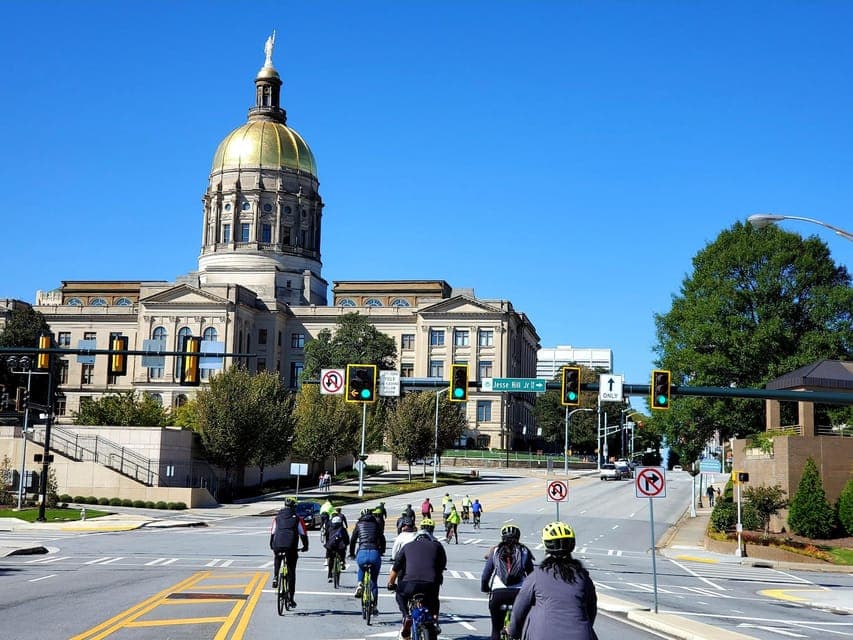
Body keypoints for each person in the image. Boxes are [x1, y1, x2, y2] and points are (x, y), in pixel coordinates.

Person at [508, 522, 598, 640]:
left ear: (546, 545)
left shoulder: (536, 575)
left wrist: (514, 632)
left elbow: (519, 610)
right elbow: (591, 609)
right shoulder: (583, 577)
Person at [387, 518, 447, 639]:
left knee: (400, 594)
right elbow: (442, 565)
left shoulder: (407, 546)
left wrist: (391, 583)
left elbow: (396, 567)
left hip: (410, 583)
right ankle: (434, 619)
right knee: (434, 599)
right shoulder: (437, 546)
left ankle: (406, 616)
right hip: (430, 584)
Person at [481, 524, 535, 640]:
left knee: (496, 629)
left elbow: (486, 574)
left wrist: (484, 588)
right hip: (519, 594)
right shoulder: (524, 551)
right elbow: (531, 575)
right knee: (521, 628)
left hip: (498, 593)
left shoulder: (495, 551)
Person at [269, 496, 309, 608]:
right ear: (294, 507)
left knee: (277, 557)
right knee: (292, 573)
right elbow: (303, 534)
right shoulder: (297, 518)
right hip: (291, 547)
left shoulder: (277, 518)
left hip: (278, 545)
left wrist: (272, 545)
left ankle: (276, 577)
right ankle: (291, 599)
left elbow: (273, 533)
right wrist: (305, 546)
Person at [349, 507, 386, 614]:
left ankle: (360, 584)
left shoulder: (358, 524)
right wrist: (382, 551)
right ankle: (374, 607)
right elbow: (382, 539)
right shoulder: (376, 524)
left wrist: (351, 553)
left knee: (361, 567)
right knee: (373, 581)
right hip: (374, 552)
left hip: (362, 551)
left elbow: (353, 540)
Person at [325, 513, 350, 581]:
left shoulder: (330, 528)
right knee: (343, 551)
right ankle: (342, 561)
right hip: (340, 546)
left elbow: (327, 537)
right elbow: (346, 539)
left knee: (331, 559)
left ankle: (329, 575)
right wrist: (347, 543)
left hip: (331, 546)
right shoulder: (342, 529)